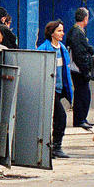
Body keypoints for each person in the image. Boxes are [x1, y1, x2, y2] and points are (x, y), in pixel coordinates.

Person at [37, 20, 73, 159]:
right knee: (60, 116)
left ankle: (54, 146)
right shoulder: (44, 49)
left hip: (59, 89)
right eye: (59, 31)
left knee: (57, 118)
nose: (62, 33)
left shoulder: (62, 49)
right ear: (51, 33)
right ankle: (54, 147)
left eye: (62, 30)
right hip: (48, 89)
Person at [65, 7, 94, 131]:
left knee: (82, 93)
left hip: (76, 69)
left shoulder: (76, 31)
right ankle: (80, 119)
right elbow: (79, 54)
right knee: (83, 94)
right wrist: (85, 70)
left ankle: (82, 118)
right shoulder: (77, 33)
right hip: (78, 70)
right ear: (85, 18)